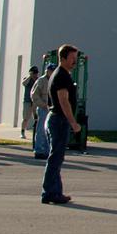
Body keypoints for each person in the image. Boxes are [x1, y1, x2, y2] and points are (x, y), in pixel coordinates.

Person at [43, 44, 82, 205]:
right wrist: (73, 122)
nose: (75, 61)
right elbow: (63, 100)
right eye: (72, 58)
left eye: (76, 58)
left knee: (57, 157)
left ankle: (55, 191)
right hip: (59, 120)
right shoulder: (61, 76)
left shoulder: (60, 74)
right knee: (55, 158)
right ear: (63, 58)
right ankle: (49, 193)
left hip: (55, 118)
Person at [29, 62, 55, 159]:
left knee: (49, 131)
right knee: (41, 130)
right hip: (43, 109)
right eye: (51, 70)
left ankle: (48, 151)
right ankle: (39, 151)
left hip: (52, 109)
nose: (52, 72)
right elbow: (34, 95)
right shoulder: (41, 80)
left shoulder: (55, 80)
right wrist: (43, 104)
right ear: (47, 70)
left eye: (53, 70)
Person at [21, 66, 39, 139]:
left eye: (36, 73)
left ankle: (36, 133)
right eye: (34, 73)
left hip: (35, 102)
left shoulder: (38, 80)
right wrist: (30, 76)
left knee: (36, 117)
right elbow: (24, 83)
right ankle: (22, 132)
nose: (35, 75)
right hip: (27, 101)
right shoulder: (27, 79)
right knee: (25, 118)